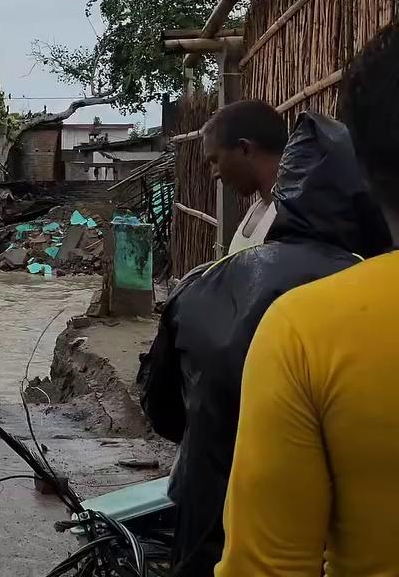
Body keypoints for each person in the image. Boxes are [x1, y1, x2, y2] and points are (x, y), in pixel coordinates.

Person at [137, 111, 391, 576]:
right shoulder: (368, 298)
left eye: (216, 160)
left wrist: (214, 440)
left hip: (207, 509)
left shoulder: (200, 284)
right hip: (318, 526)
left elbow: (162, 405)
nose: (212, 171)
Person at [217, 27, 399, 576]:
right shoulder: (257, 222)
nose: (212, 172)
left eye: (213, 159)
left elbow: (267, 567)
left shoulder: (307, 329)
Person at [200, 99, 288, 254]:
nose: (215, 174)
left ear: (245, 149)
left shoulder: (293, 219)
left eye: (215, 160)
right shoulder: (258, 208)